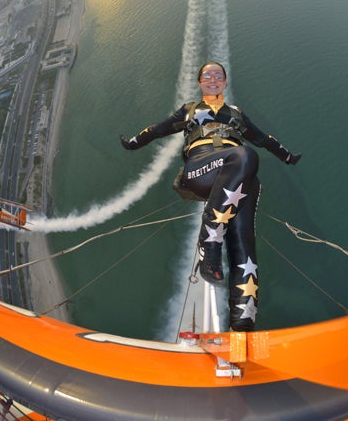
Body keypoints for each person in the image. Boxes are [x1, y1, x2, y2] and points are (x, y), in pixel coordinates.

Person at [120, 62, 300, 332]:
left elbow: (263, 139)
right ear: (200, 82)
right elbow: (158, 129)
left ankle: (243, 316)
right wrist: (134, 142)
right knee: (245, 155)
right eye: (207, 75)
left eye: (218, 75)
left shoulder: (237, 113)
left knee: (244, 238)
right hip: (202, 168)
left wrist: (287, 156)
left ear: (225, 82)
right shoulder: (190, 110)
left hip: (236, 177)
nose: (213, 78)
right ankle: (209, 237)